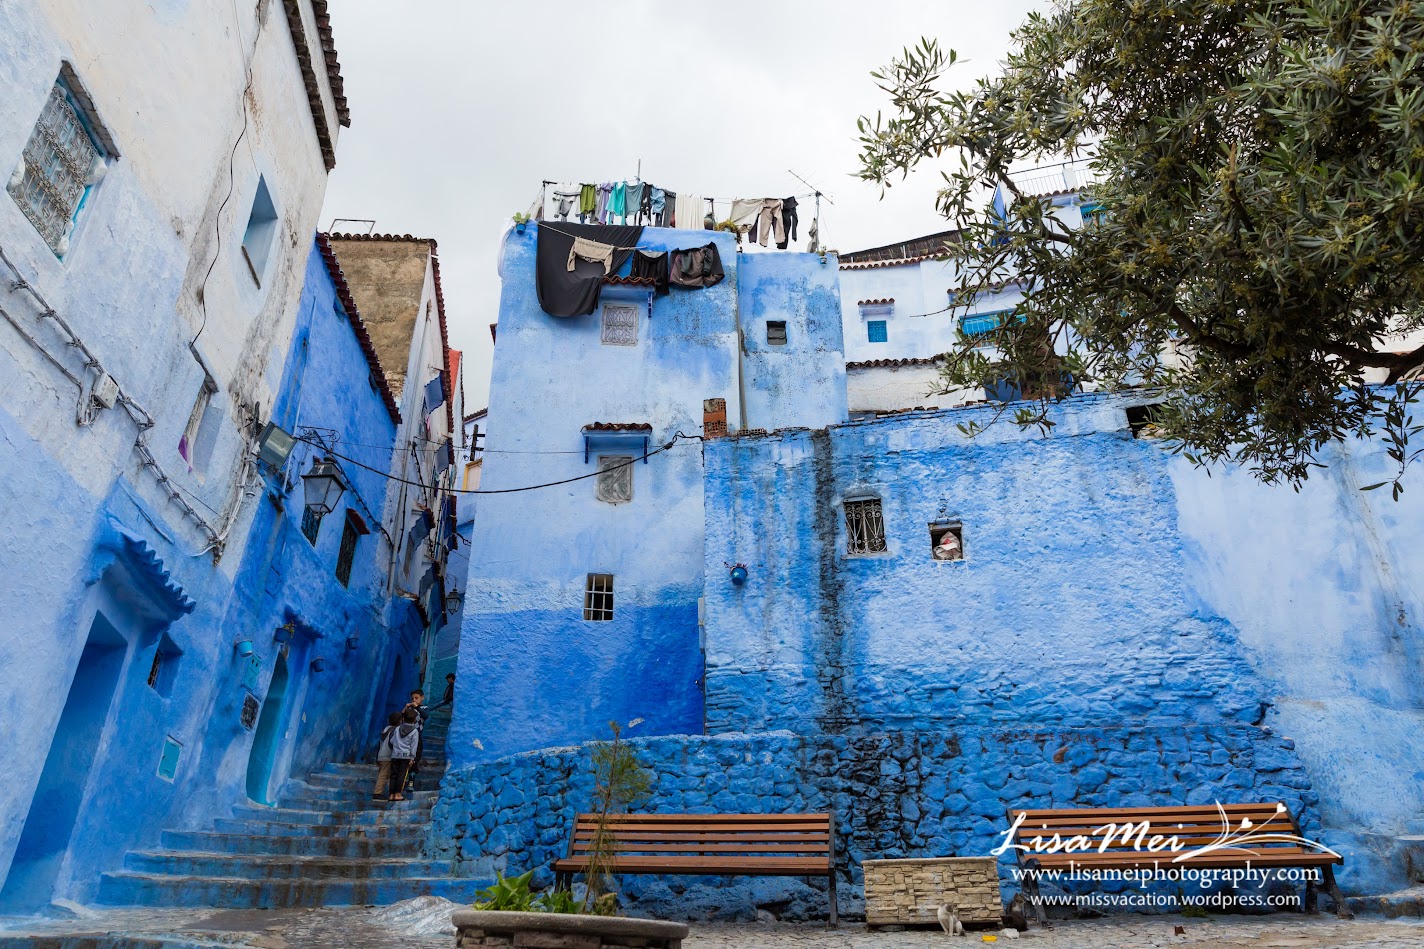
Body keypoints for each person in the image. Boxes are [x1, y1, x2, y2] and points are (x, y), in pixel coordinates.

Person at [387, 708, 421, 802]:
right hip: (406, 756)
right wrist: (412, 758)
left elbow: (392, 741)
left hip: (395, 755)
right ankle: (398, 794)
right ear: (414, 720)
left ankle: (391, 794)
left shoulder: (397, 728)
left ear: (403, 718)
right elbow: (414, 746)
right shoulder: (414, 731)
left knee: (393, 775)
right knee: (401, 775)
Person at [371, 712, 400, 801]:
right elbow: (392, 743)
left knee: (383, 774)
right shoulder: (395, 731)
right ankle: (377, 793)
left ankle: (381, 791)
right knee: (383, 775)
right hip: (388, 756)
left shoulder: (386, 729)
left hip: (381, 755)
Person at [403, 690, 429, 778]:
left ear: (422, 697)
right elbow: (401, 718)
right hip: (407, 737)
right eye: (412, 699)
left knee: (416, 757)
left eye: (416, 698)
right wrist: (405, 708)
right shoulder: (410, 709)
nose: (414, 700)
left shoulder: (424, 708)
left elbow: (426, 716)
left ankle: (411, 777)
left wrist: (417, 707)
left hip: (417, 736)